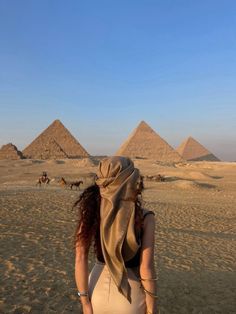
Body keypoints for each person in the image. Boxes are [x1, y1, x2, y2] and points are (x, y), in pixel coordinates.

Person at [74, 156, 158, 314]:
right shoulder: (146, 217)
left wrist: (84, 301)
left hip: (95, 291)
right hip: (129, 297)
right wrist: (152, 306)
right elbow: (146, 268)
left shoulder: (90, 212)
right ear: (130, 180)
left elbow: (80, 257)